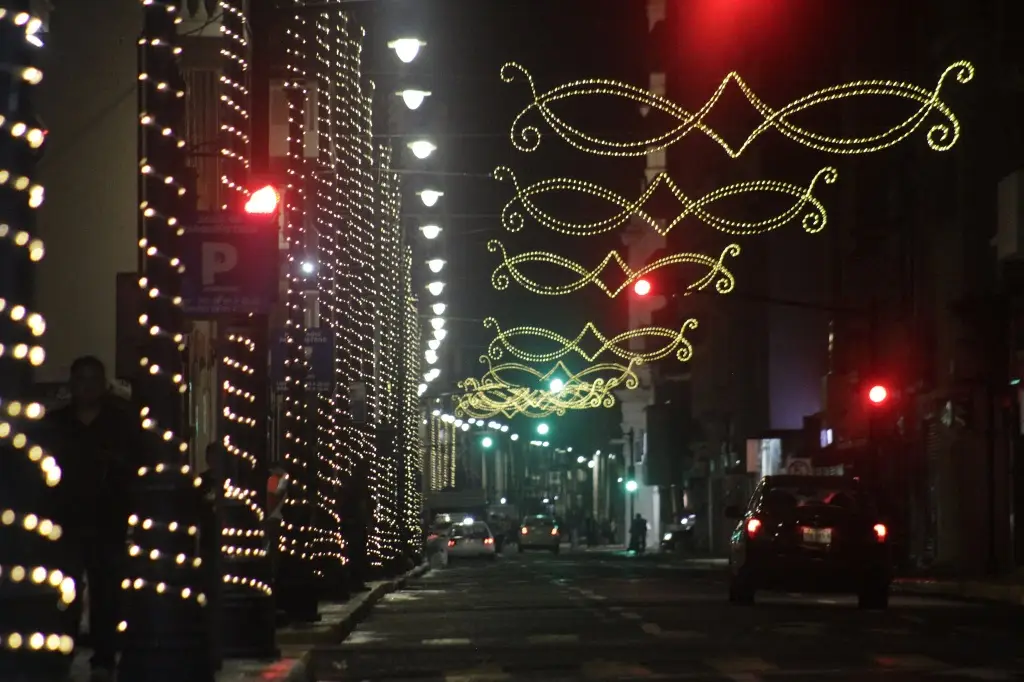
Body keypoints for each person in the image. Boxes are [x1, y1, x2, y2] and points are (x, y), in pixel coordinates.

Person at [46, 356, 139, 682]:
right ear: (72, 384)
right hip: (66, 519)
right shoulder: (56, 424)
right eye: (80, 379)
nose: (86, 387)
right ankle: (64, 652)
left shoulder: (120, 424)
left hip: (107, 518)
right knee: (64, 593)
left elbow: (131, 469)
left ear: (102, 385)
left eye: (92, 380)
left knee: (106, 593)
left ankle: (103, 656)